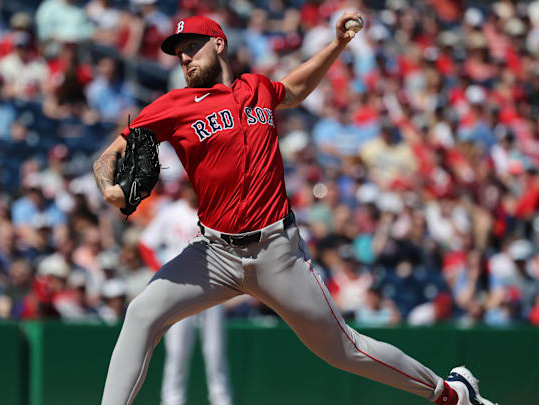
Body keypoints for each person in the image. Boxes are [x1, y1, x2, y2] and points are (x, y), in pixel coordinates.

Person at [93, 13, 497, 405]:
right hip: (213, 254)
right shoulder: (175, 104)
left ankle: (452, 393)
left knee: (344, 350)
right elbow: (109, 155)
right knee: (142, 313)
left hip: (276, 252)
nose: (184, 57)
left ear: (219, 44)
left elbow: (296, 88)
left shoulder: (257, 88)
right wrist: (110, 188)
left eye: (192, 46)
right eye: (178, 51)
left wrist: (337, 44)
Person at [138, 182, 233, 405]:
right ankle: (172, 401)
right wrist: (162, 272)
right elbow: (145, 244)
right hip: (180, 291)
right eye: (189, 185)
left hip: (212, 288)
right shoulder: (171, 213)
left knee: (216, 353)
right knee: (177, 353)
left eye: (195, 185)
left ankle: (222, 400)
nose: (192, 190)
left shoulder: (215, 213)